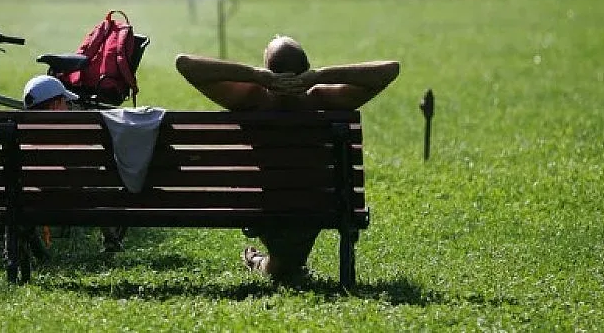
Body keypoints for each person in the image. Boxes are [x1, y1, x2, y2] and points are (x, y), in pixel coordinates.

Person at [174, 35, 400, 281]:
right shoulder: (323, 100)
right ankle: (269, 263)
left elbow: (185, 64)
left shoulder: (251, 99)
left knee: (284, 267)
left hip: (263, 206)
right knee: (287, 265)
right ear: (306, 69)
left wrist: (255, 75)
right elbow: (389, 70)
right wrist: (319, 76)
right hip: (319, 206)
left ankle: (263, 263)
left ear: (268, 71)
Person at [22, 74, 126, 252]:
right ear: (55, 105)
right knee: (96, 186)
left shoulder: (20, 133)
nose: (68, 107)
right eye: (65, 102)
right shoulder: (71, 135)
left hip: (30, 198)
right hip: (73, 200)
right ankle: (110, 239)